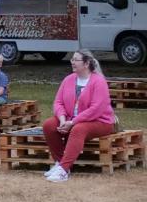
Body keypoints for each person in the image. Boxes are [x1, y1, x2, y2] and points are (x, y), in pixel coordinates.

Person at [42, 51, 115, 183]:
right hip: (71, 119)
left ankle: (63, 170)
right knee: (49, 125)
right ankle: (60, 163)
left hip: (100, 121)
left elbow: (96, 109)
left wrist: (72, 122)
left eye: (76, 60)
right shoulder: (68, 79)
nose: (72, 62)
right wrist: (63, 120)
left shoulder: (99, 81)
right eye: (72, 59)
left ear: (86, 64)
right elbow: (58, 102)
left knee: (78, 129)